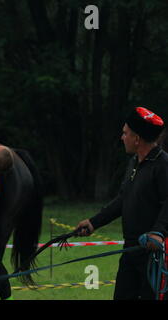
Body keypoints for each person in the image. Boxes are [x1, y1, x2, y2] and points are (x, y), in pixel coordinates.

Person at [76, 106, 168, 300]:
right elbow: (123, 199)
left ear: (137, 139)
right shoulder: (134, 162)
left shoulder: (163, 165)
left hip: (153, 254)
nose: (122, 137)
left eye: (125, 133)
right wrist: (94, 222)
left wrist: (158, 232)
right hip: (130, 250)